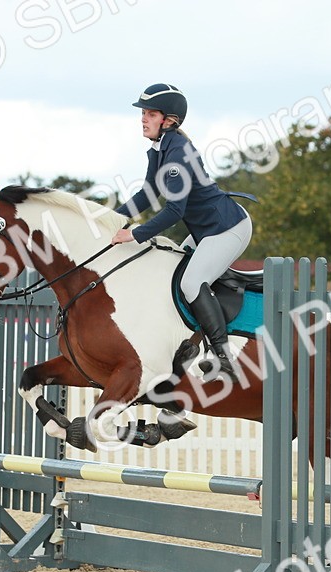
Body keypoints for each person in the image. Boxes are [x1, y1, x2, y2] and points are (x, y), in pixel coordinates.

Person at [111, 83, 253, 380]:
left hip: (228, 228)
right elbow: (148, 195)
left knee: (191, 282)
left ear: (169, 120)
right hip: (207, 231)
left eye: (150, 113)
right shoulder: (160, 149)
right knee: (171, 270)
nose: (143, 118)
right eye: (143, 113)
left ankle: (223, 356)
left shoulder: (177, 154)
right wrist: (112, 219)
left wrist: (135, 235)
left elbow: (174, 211)